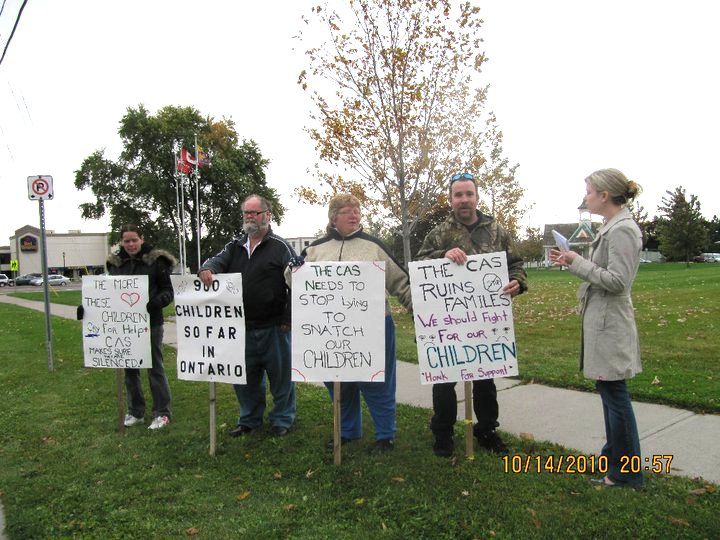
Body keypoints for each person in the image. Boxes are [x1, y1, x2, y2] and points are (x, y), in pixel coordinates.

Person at [290, 194, 413, 453]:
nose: (354, 215)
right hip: (328, 330)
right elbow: (295, 282)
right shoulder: (315, 249)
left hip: (374, 328)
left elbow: (401, 282)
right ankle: (347, 430)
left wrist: (422, 312)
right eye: (347, 211)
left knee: (378, 382)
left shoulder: (373, 246)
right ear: (334, 217)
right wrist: (292, 268)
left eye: (357, 210)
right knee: (337, 382)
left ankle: (385, 435)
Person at [416, 172, 527, 457]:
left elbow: (515, 263)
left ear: (477, 196)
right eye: (458, 195)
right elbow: (418, 263)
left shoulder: (497, 230)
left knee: (485, 380)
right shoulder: (439, 232)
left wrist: (518, 282)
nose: (464, 200)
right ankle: (443, 433)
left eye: (469, 194)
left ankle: (487, 430)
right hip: (448, 323)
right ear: (451, 199)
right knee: (444, 382)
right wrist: (442, 254)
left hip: (486, 322)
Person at [550, 168, 644, 489]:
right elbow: (602, 272)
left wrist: (577, 261)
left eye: (589, 191)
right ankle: (613, 462)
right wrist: (572, 260)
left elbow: (618, 282)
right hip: (602, 323)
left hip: (612, 325)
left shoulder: (623, 230)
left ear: (605, 195)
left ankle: (627, 474)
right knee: (609, 394)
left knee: (615, 396)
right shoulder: (610, 227)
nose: (585, 197)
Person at [199, 194, 296, 437]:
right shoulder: (235, 246)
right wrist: (207, 269)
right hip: (241, 328)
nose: (250, 217)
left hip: (275, 327)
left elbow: (298, 281)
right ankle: (249, 419)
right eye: (246, 213)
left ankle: (282, 420)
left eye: (255, 212)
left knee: (281, 379)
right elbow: (216, 260)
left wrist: (289, 318)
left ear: (267, 216)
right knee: (245, 379)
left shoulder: (280, 247)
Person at [102, 224, 176, 430]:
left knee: (154, 367)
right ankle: (136, 411)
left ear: (141, 239)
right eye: (127, 241)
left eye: (134, 239)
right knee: (130, 369)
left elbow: (168, 290)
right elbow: (107, 292)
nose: (131, 244)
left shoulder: (156, 261)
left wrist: (158, 302)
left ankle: (162, 412)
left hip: (151, 323)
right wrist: (89, 308)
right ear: (121, 242)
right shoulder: (116, 264)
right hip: (124, 326)